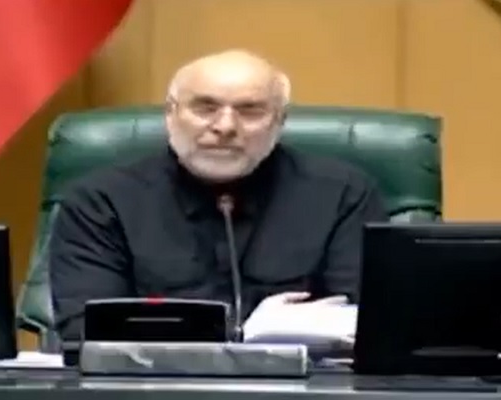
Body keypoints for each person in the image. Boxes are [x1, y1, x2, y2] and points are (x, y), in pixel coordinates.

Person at [49, 50, 388, 343]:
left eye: (250, 111)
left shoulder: (343, 194)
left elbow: (369, 323)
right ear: (170, 114)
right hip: (149, 390)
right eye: (205, 108)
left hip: (302, 392)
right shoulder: (102, 201)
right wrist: (237, 336)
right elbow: (86, 329)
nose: (225, 126)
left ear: (279, 121)